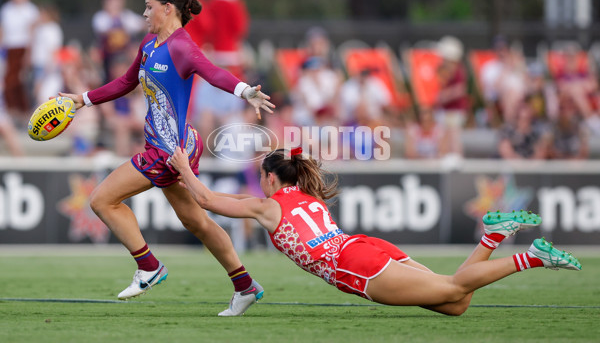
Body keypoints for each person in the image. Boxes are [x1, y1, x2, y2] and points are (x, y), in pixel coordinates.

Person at [58, 0, 275, 316]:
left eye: (148, 7)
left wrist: (245, 90)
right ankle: (245, 285)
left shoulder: (181, 46)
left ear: (167, 8)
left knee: (102, 199)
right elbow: (125, 82)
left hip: (167, 151)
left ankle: (149, 267)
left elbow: (212, 72)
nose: (144, 14)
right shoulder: (149, 44)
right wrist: (82, 99)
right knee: (198, 222)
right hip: (172, 147)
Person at [168, 146, 581, 315]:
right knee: (457, 303)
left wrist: (182, 165)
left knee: (455, 288)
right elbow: (218, 199)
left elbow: (205, 201)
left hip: (357, 266)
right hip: (364, 247)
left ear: (271, 179)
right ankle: (492, 235)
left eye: (261, 176)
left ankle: (532, 257)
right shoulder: (306, 195)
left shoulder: (267, 206)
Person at [0, 0, 39, 120]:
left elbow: (32, 31)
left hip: (22, 47)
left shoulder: (30, 9)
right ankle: (11, 108)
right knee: (8, 79)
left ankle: (23, 109)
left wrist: (29, 52)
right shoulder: (7, 9)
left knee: (20, 79)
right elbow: (3, 29)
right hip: (9, 47)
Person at [92, 0, 146, 84]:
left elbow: (143, 24)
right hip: (108, 54)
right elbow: (103, 29)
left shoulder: (127, 15)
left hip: (126, 53)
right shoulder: (101, 17)